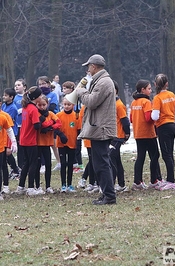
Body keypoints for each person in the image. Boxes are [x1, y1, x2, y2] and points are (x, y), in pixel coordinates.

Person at [75, 54, 117, 205]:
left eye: (88, 67)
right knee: (99, 163)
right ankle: (106, 193)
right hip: (99, 128)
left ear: (93, 66)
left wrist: (80, 91)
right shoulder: (102, 81)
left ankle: (110, 196)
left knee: (102, 164)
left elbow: (91, 102)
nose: (88, 70)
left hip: (101, 128)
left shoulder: (103, 82)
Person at [130, 80, 163, 190]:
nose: (151, 90)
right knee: (155, 156)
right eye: (149, 88)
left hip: (138, 133)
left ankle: (137, 181)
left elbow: (131, 118)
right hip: (148, 134)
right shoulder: (146, 102)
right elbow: (149, 118)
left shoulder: (134, 103)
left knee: (140, 157)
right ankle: (154, 180)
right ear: (142, 89)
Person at [151, 74, 175, 190]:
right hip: (173, 125)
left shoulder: (157, 98)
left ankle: (171, 181)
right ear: (166, 83)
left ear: (155, 84)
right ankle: (170, 178)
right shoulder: (172, 94)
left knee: (166, 154)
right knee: (170, 153)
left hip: (163, 127)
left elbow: (155, 116)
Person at [14, 86, 44, 196]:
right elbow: (36, 125)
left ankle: (21, 186)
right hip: (31, 140)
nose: (41, 97)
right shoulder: (33, 109)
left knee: (26, 163)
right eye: (40, 96)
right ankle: (31, 187)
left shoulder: (26, 107)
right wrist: (43, 121)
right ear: (36, 97)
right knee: (33, 164)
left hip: (23, 139)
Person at [36, 95, 62, 194]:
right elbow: (40, 124)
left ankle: (48, 186)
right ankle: (37, 186)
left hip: (47, 143)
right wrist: (50, 123)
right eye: (39, 105)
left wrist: (51, 126)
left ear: (47, 104)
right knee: (37, 164)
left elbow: (59, 123)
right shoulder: (36, 113)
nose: (42, 107)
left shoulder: (50, 113)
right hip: (38, 143)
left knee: (48, 164)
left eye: (44, 105)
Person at [57, 97, 80, 193]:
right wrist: (60, 135)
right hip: (61, 144)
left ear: (73, 105)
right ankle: (63, 184)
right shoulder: (58, 115)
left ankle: (70, 184)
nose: (66, 106)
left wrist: (78, 142)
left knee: (71, 164)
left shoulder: (76, 116)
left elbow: (78, 130)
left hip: (72, 143)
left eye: (68, 104)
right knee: (63, 164)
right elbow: (56, 128)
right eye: (65, 104)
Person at [110, 81, 130, 193]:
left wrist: (127, 134)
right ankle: (121, 184)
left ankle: (111, 184)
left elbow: (125, 120)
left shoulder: (119, 105)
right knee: (116, 160)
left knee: (111, 158)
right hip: (112, 135)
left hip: (118, 136)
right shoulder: (111, 104)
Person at [1, 88, 20, 181]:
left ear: (11, 97)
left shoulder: (13, 108)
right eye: (3, 95)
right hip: (3, 132)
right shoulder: (4, 105)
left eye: (6, 95)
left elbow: (9, 121)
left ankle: (15, 169)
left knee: (8, 152)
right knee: (5, 152)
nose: (4, 97)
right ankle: (12, 169)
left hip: (10, 132)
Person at [14, 79, 26, 170]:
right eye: (15, 85)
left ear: (24, 87)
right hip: (18, 125)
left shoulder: (27, 97)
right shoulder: (15, 98)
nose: (16, 87)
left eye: (18, 85)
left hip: (26, 124)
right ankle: (20, 165)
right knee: (20, 146)